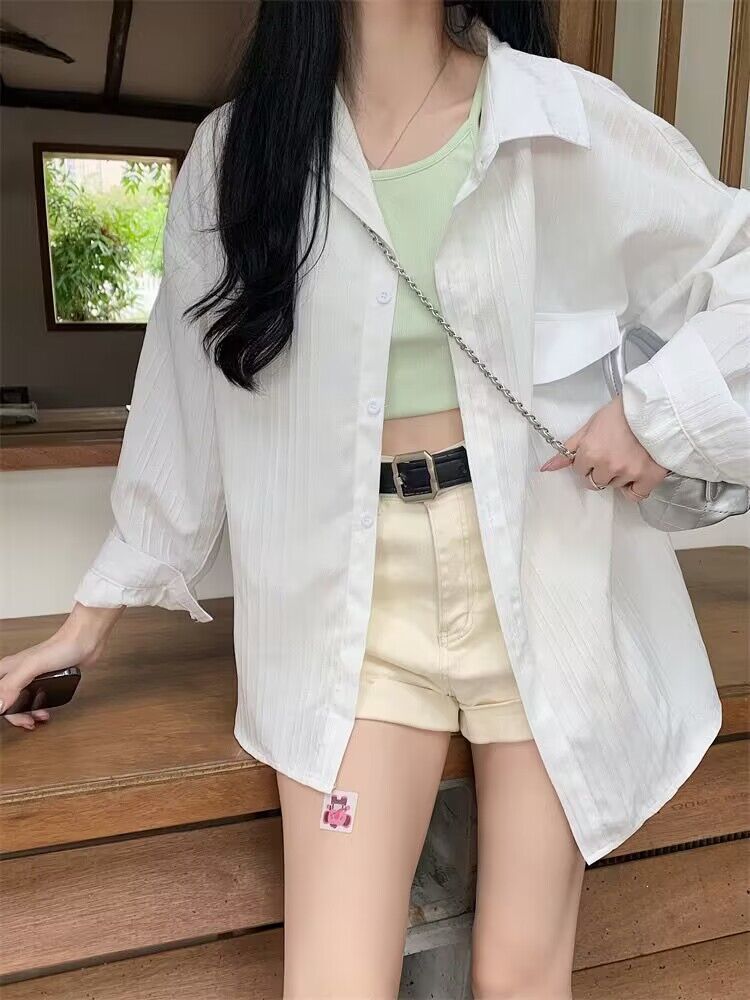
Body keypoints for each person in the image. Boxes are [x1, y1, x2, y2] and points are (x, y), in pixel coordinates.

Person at [2, 2, 748, 996]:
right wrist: (84, 626)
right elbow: (183, 407)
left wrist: (660, 418)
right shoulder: (239, 155)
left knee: (520, 980)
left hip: (546, 577)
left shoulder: (564, 117)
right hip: (351, 613)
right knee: (334, 983)